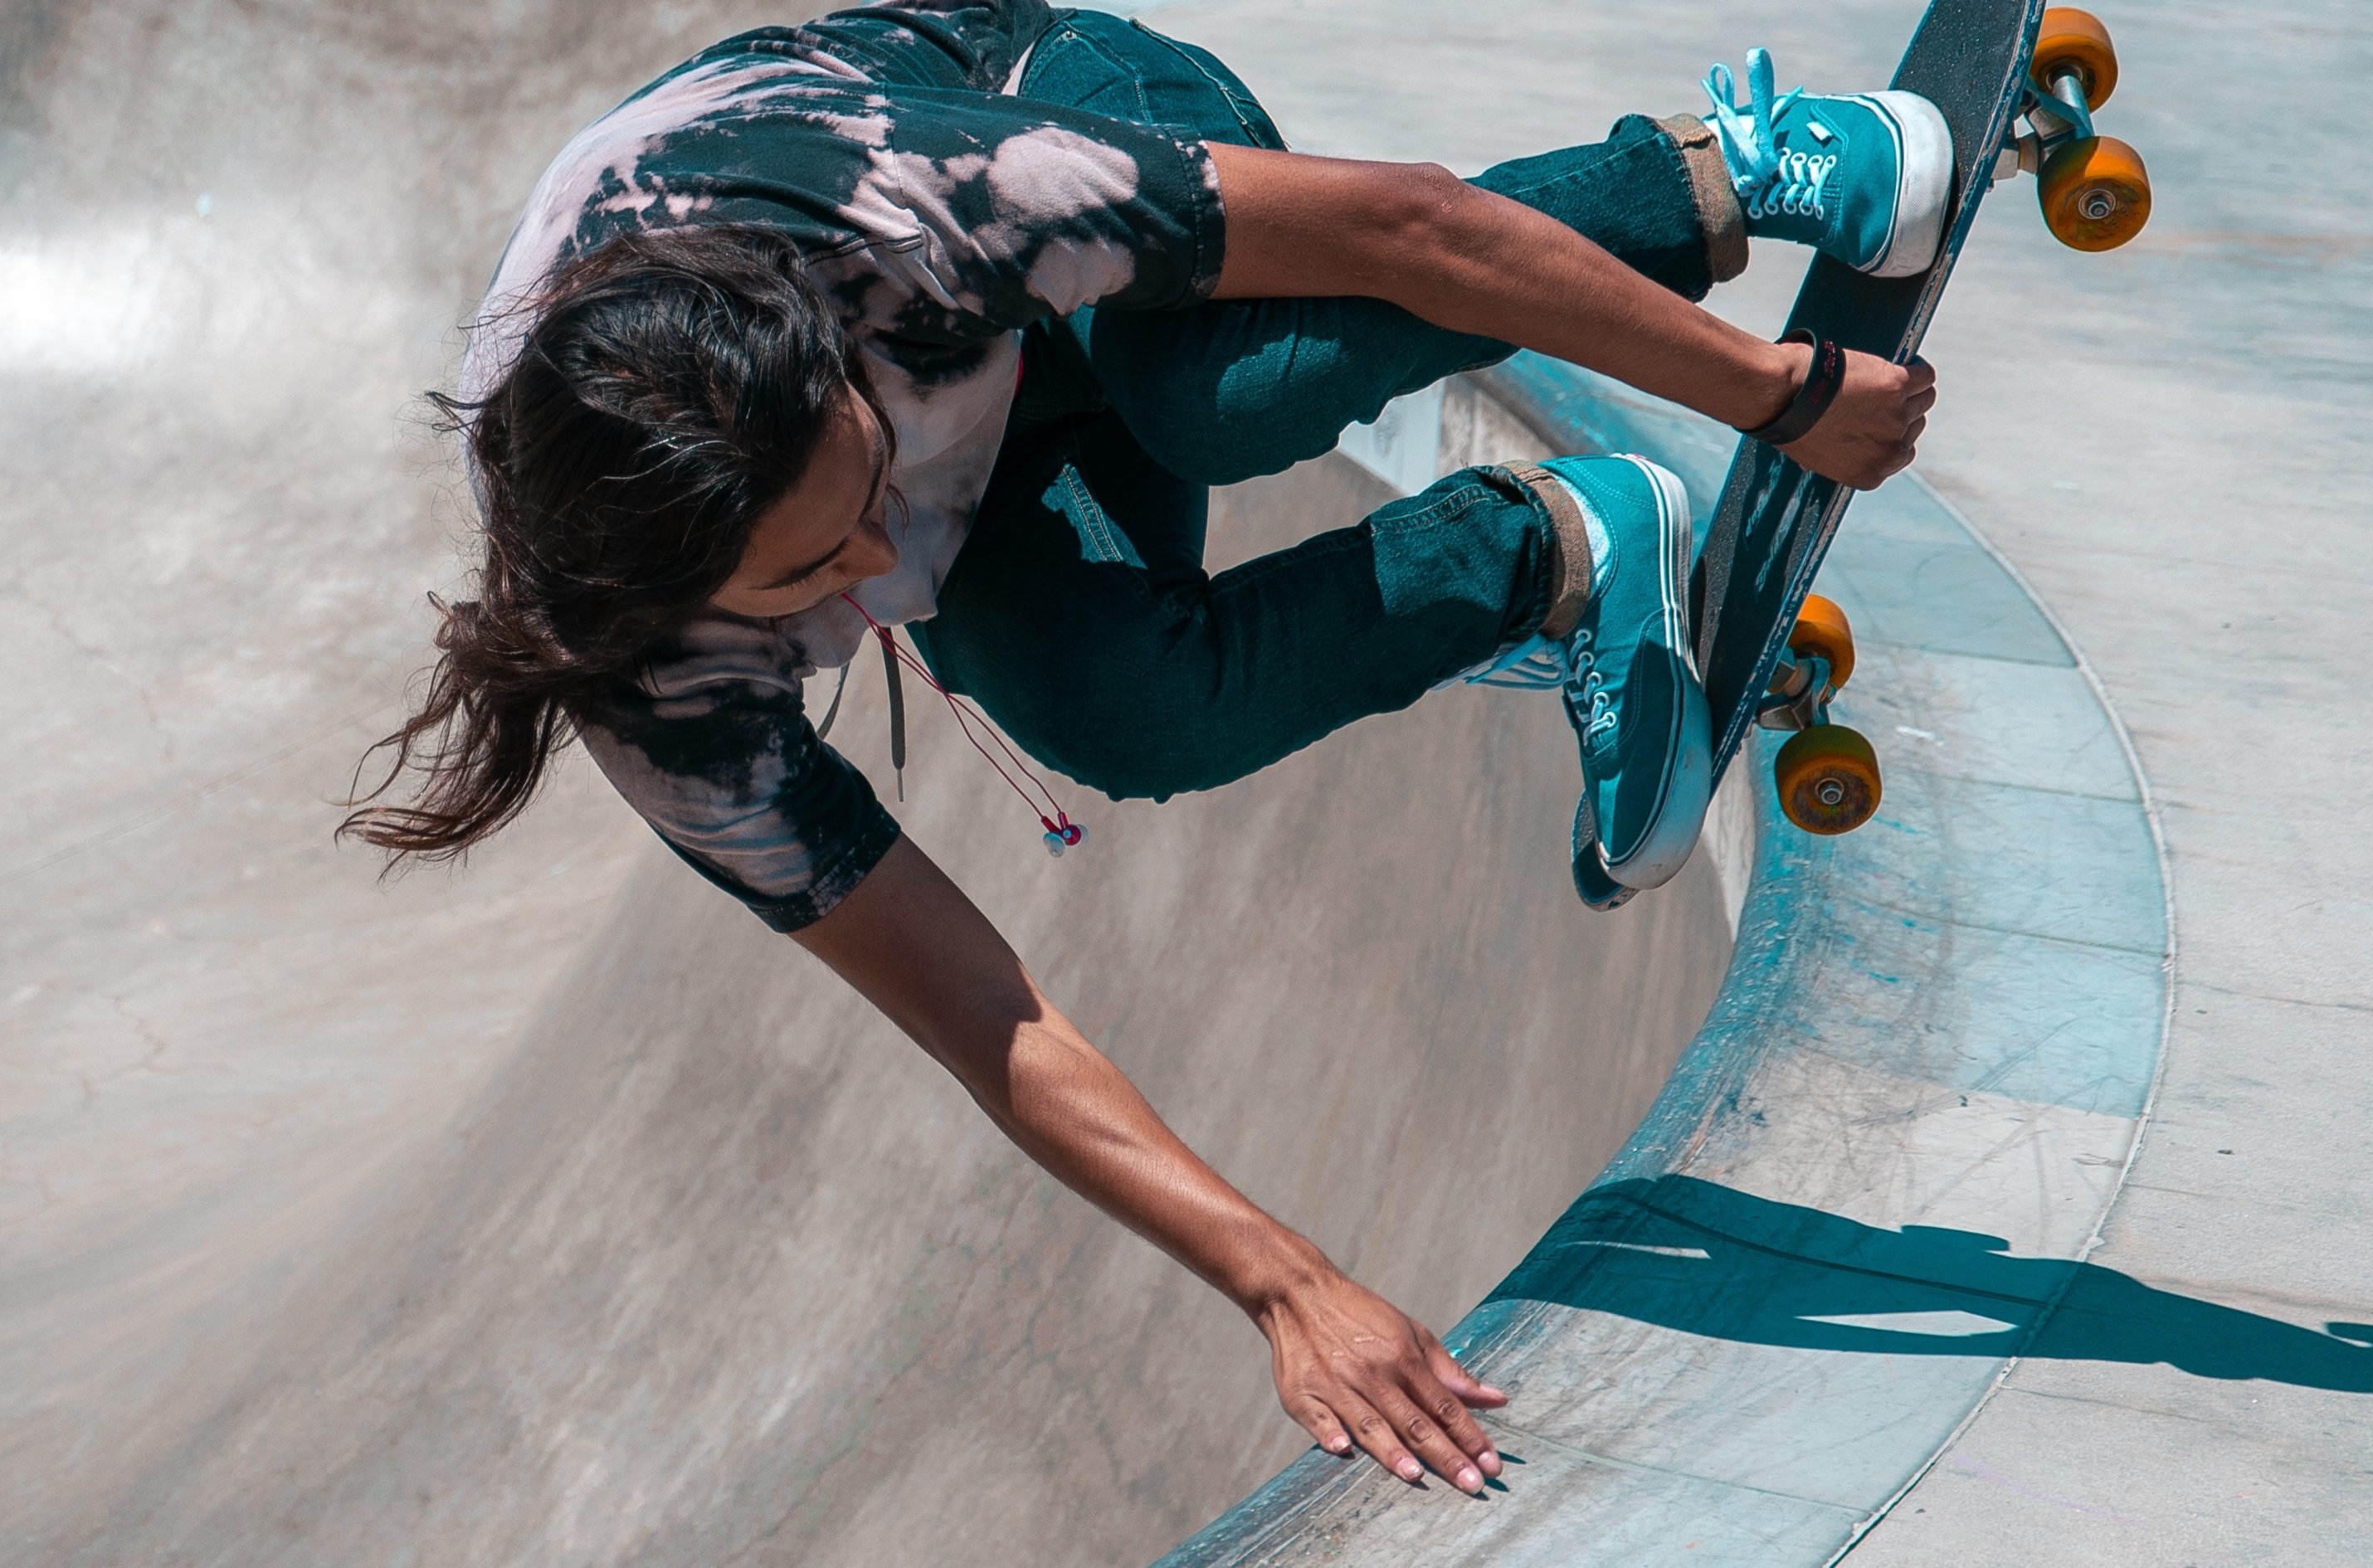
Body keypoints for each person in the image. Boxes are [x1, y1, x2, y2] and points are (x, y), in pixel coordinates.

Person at [343, 1, 1941, 1498]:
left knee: (1225, 396)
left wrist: (1779, 394)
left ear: (836, 363)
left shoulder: (941, 204)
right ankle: (1553, 554)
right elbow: (988, 1019)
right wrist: (1287, 1283)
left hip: (1049, 98)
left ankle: (1742, 169)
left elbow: (1408, 224)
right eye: (816, 575)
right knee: (1126, 709)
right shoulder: (668, 700)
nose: (882, 565)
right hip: (975, 384)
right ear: (686, 610)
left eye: (869, 486)